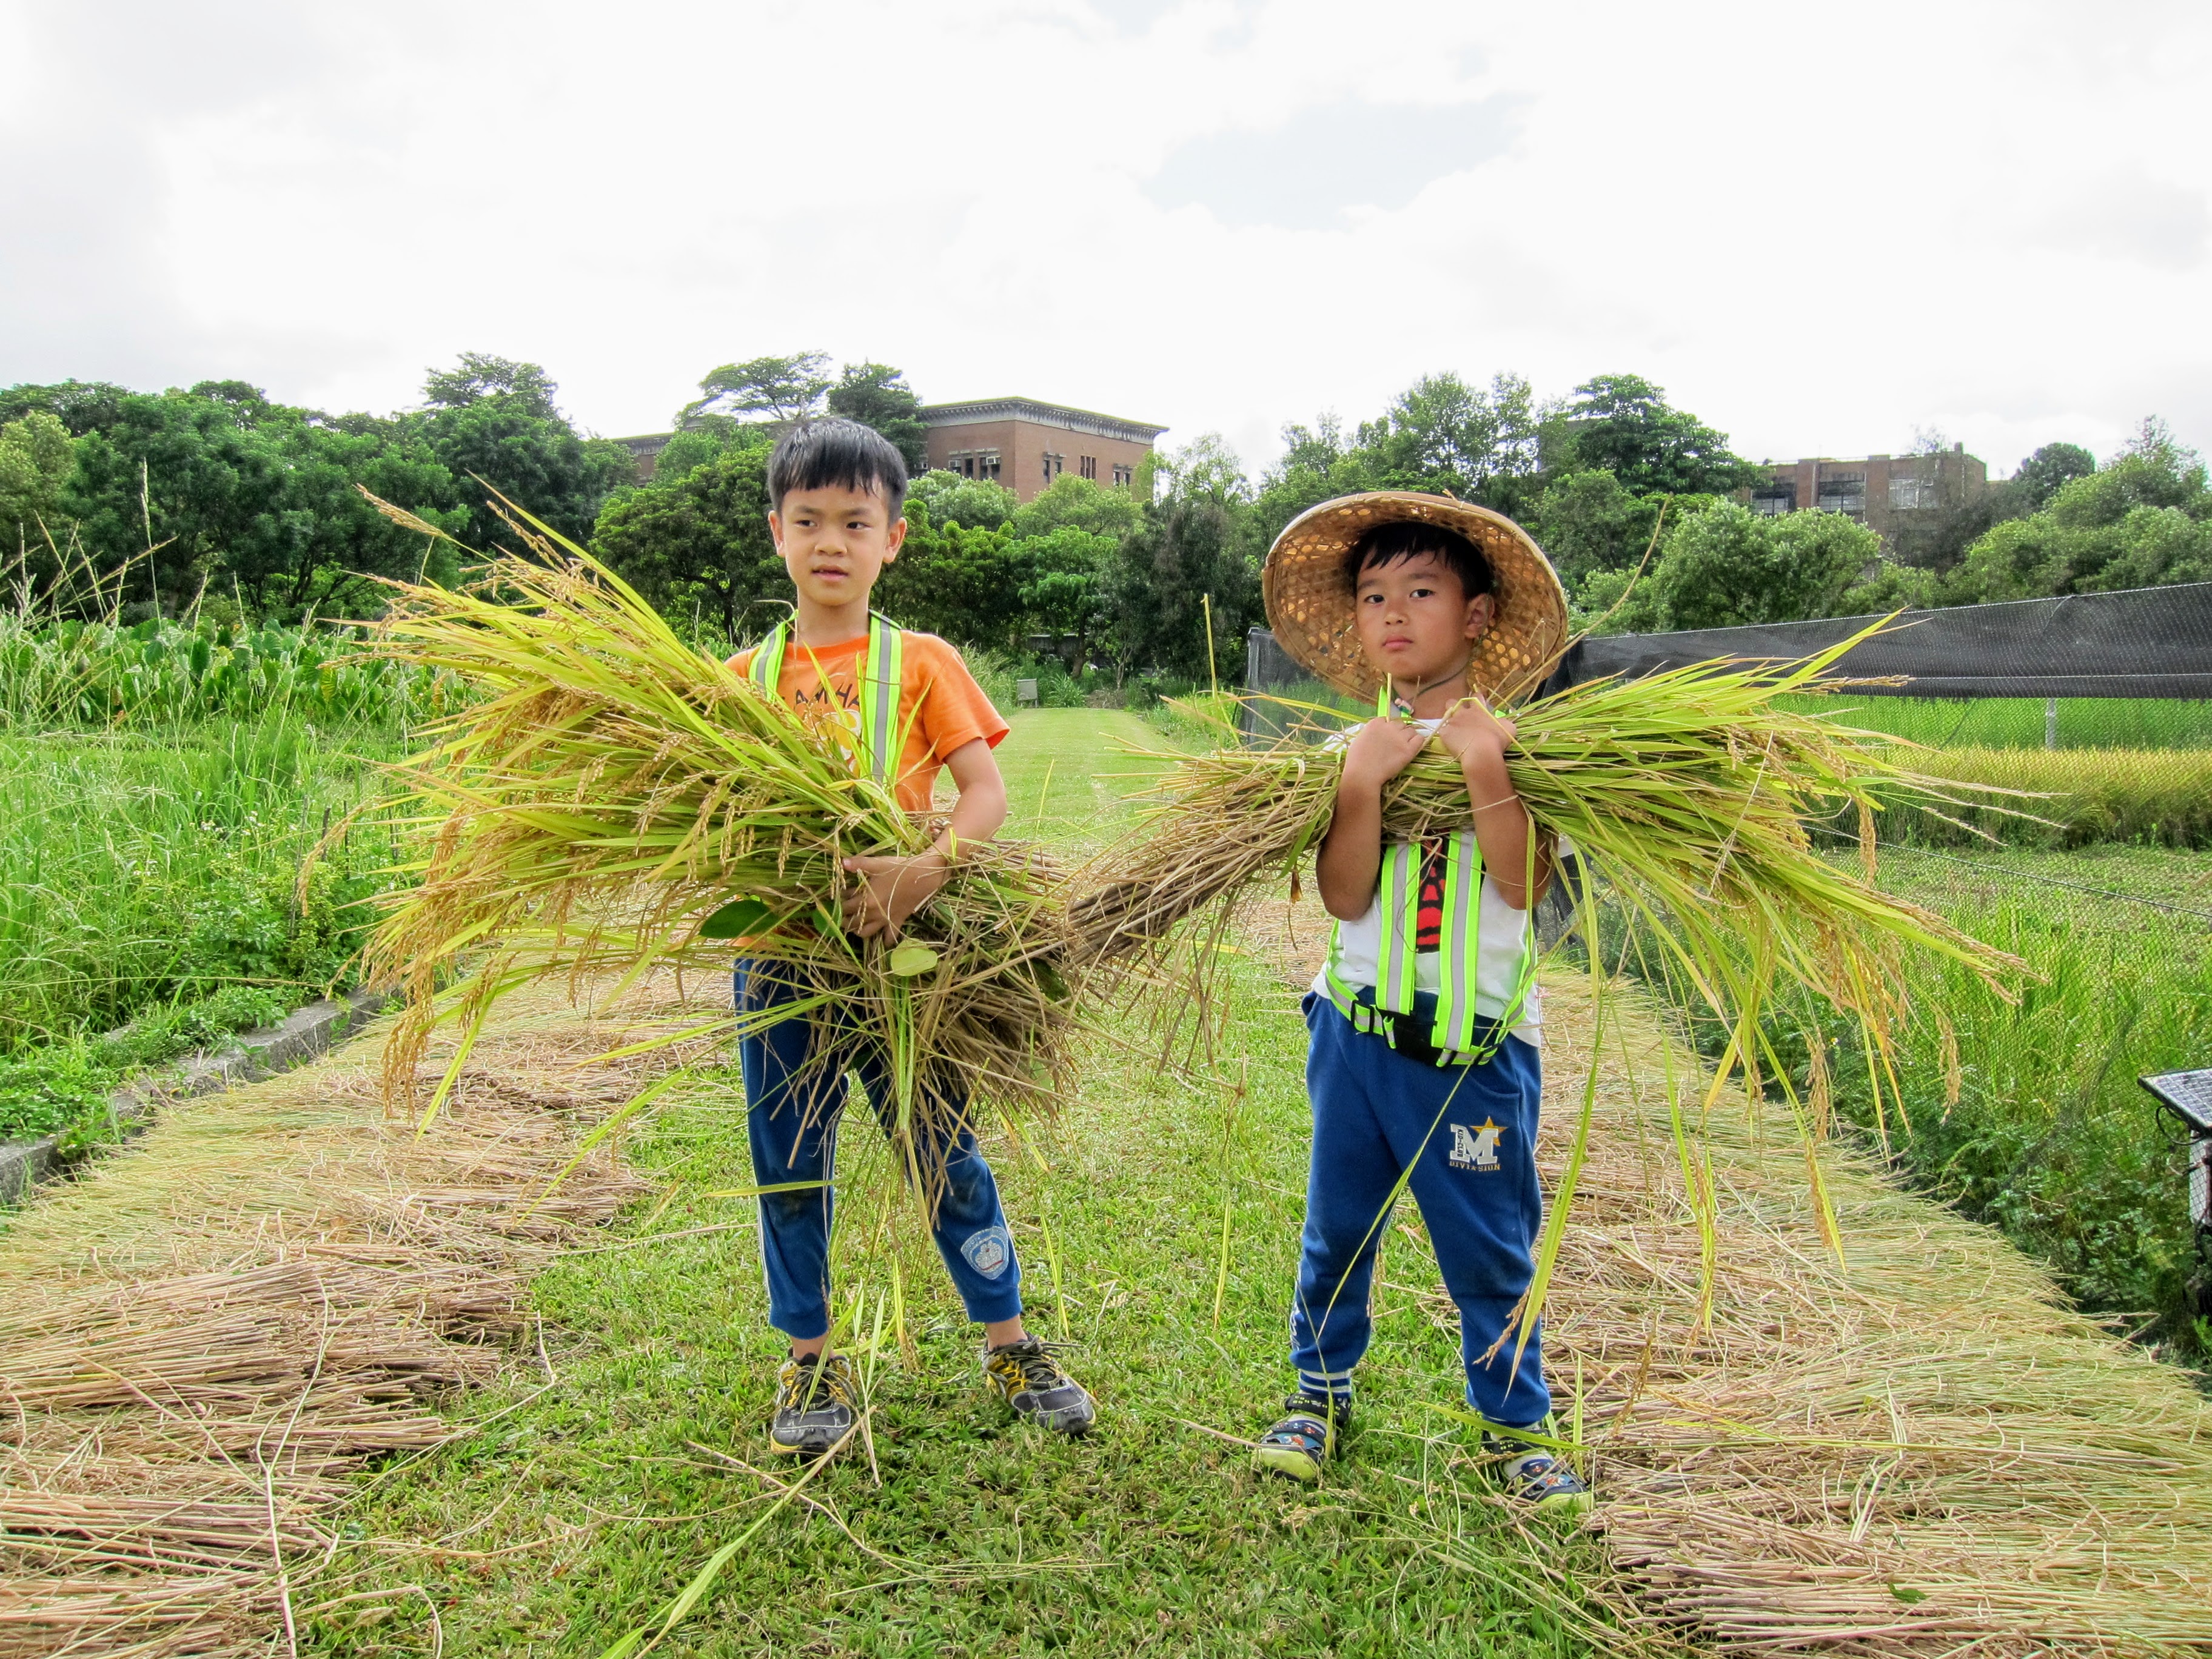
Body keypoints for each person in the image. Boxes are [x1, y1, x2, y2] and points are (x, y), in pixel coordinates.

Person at [725, 418, 1094, 1456]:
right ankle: (809, 1360)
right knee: (789, 1162)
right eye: (808, 520)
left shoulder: (922, 662)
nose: (830, 541)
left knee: (942, 1144)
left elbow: (984, 794)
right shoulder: (739, 680)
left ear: (893, 539)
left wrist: (921, 874)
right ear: (776, 533)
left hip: (904, 960)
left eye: (855, 522)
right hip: (782, 962)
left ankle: (1009, 1342)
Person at [1247, 492, 1589, 1512]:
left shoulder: (1528, 752)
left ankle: (1516, 1425)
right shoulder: (1348, 752)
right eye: (1373, 596)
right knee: (1338, 1230)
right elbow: (1344, 897)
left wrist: (1483, 762)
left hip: (1477, 1054)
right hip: (1354, 1037)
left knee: (1490, 1247)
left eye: (1422, 592)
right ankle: (1318, 1395)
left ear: (1477, 617)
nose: (1393, 612)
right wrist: (1361, 786)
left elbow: (1524, 886)